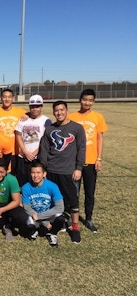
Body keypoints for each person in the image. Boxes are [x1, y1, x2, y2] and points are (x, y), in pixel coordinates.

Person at [39, 100, 86, 244]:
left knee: (72, 201)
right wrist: (44, 169)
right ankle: (57, 223)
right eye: (56, 111)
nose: (59, 113)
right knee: (52, 200)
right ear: (54, 112)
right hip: (52, 170)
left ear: (67, 110)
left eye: (61, 110)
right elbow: (44, 151)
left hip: (68, 171)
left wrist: (78, 168)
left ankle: (76, 228)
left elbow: (81, 149)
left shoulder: (77, 128)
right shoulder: (49, 129)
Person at [68, 89, 108, 232]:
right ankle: (72, 217)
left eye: (90, 100)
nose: (87, 103)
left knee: (89, 192)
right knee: (74, 192)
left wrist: (99, 158)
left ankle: (89, 218)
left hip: (91, 161)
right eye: (85, 99)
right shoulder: (71, 116)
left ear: (94, 102)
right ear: (80, 100)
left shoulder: (98, 117)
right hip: (74, 162)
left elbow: (100, 138)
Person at [22, 161, 65, 247]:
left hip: (48, 214)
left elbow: (60, 207)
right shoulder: (26, 187)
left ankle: (52, 233)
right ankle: (35, 230)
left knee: (60, 218)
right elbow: (27, 208)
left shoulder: (52, 186)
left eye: (38, 173)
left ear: (44, 174)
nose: (35, 175)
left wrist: (40, 217)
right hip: (34, 215)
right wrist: (44, 222)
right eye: (33, 173)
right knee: (23, 219)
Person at [14, 94, 52, 187]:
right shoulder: (23, 119)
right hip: (23, 157)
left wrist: (34, 153)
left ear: (41, 107)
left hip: (38, 158)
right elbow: (18, 135)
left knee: (36, 183)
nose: (35, 109)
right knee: (22, 184)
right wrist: (25, 152)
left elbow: (45, 140)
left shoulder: (46, 121)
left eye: (37, 106)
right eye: (32, 106)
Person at [0, 89, 26, 170]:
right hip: (0, 152)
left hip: (15, 151)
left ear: (13, 98)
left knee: (13, 176)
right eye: (4, 97)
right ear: (1, 98)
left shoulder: (21, 112)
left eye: (9, 97)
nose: (7, 99)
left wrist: (28, 115)